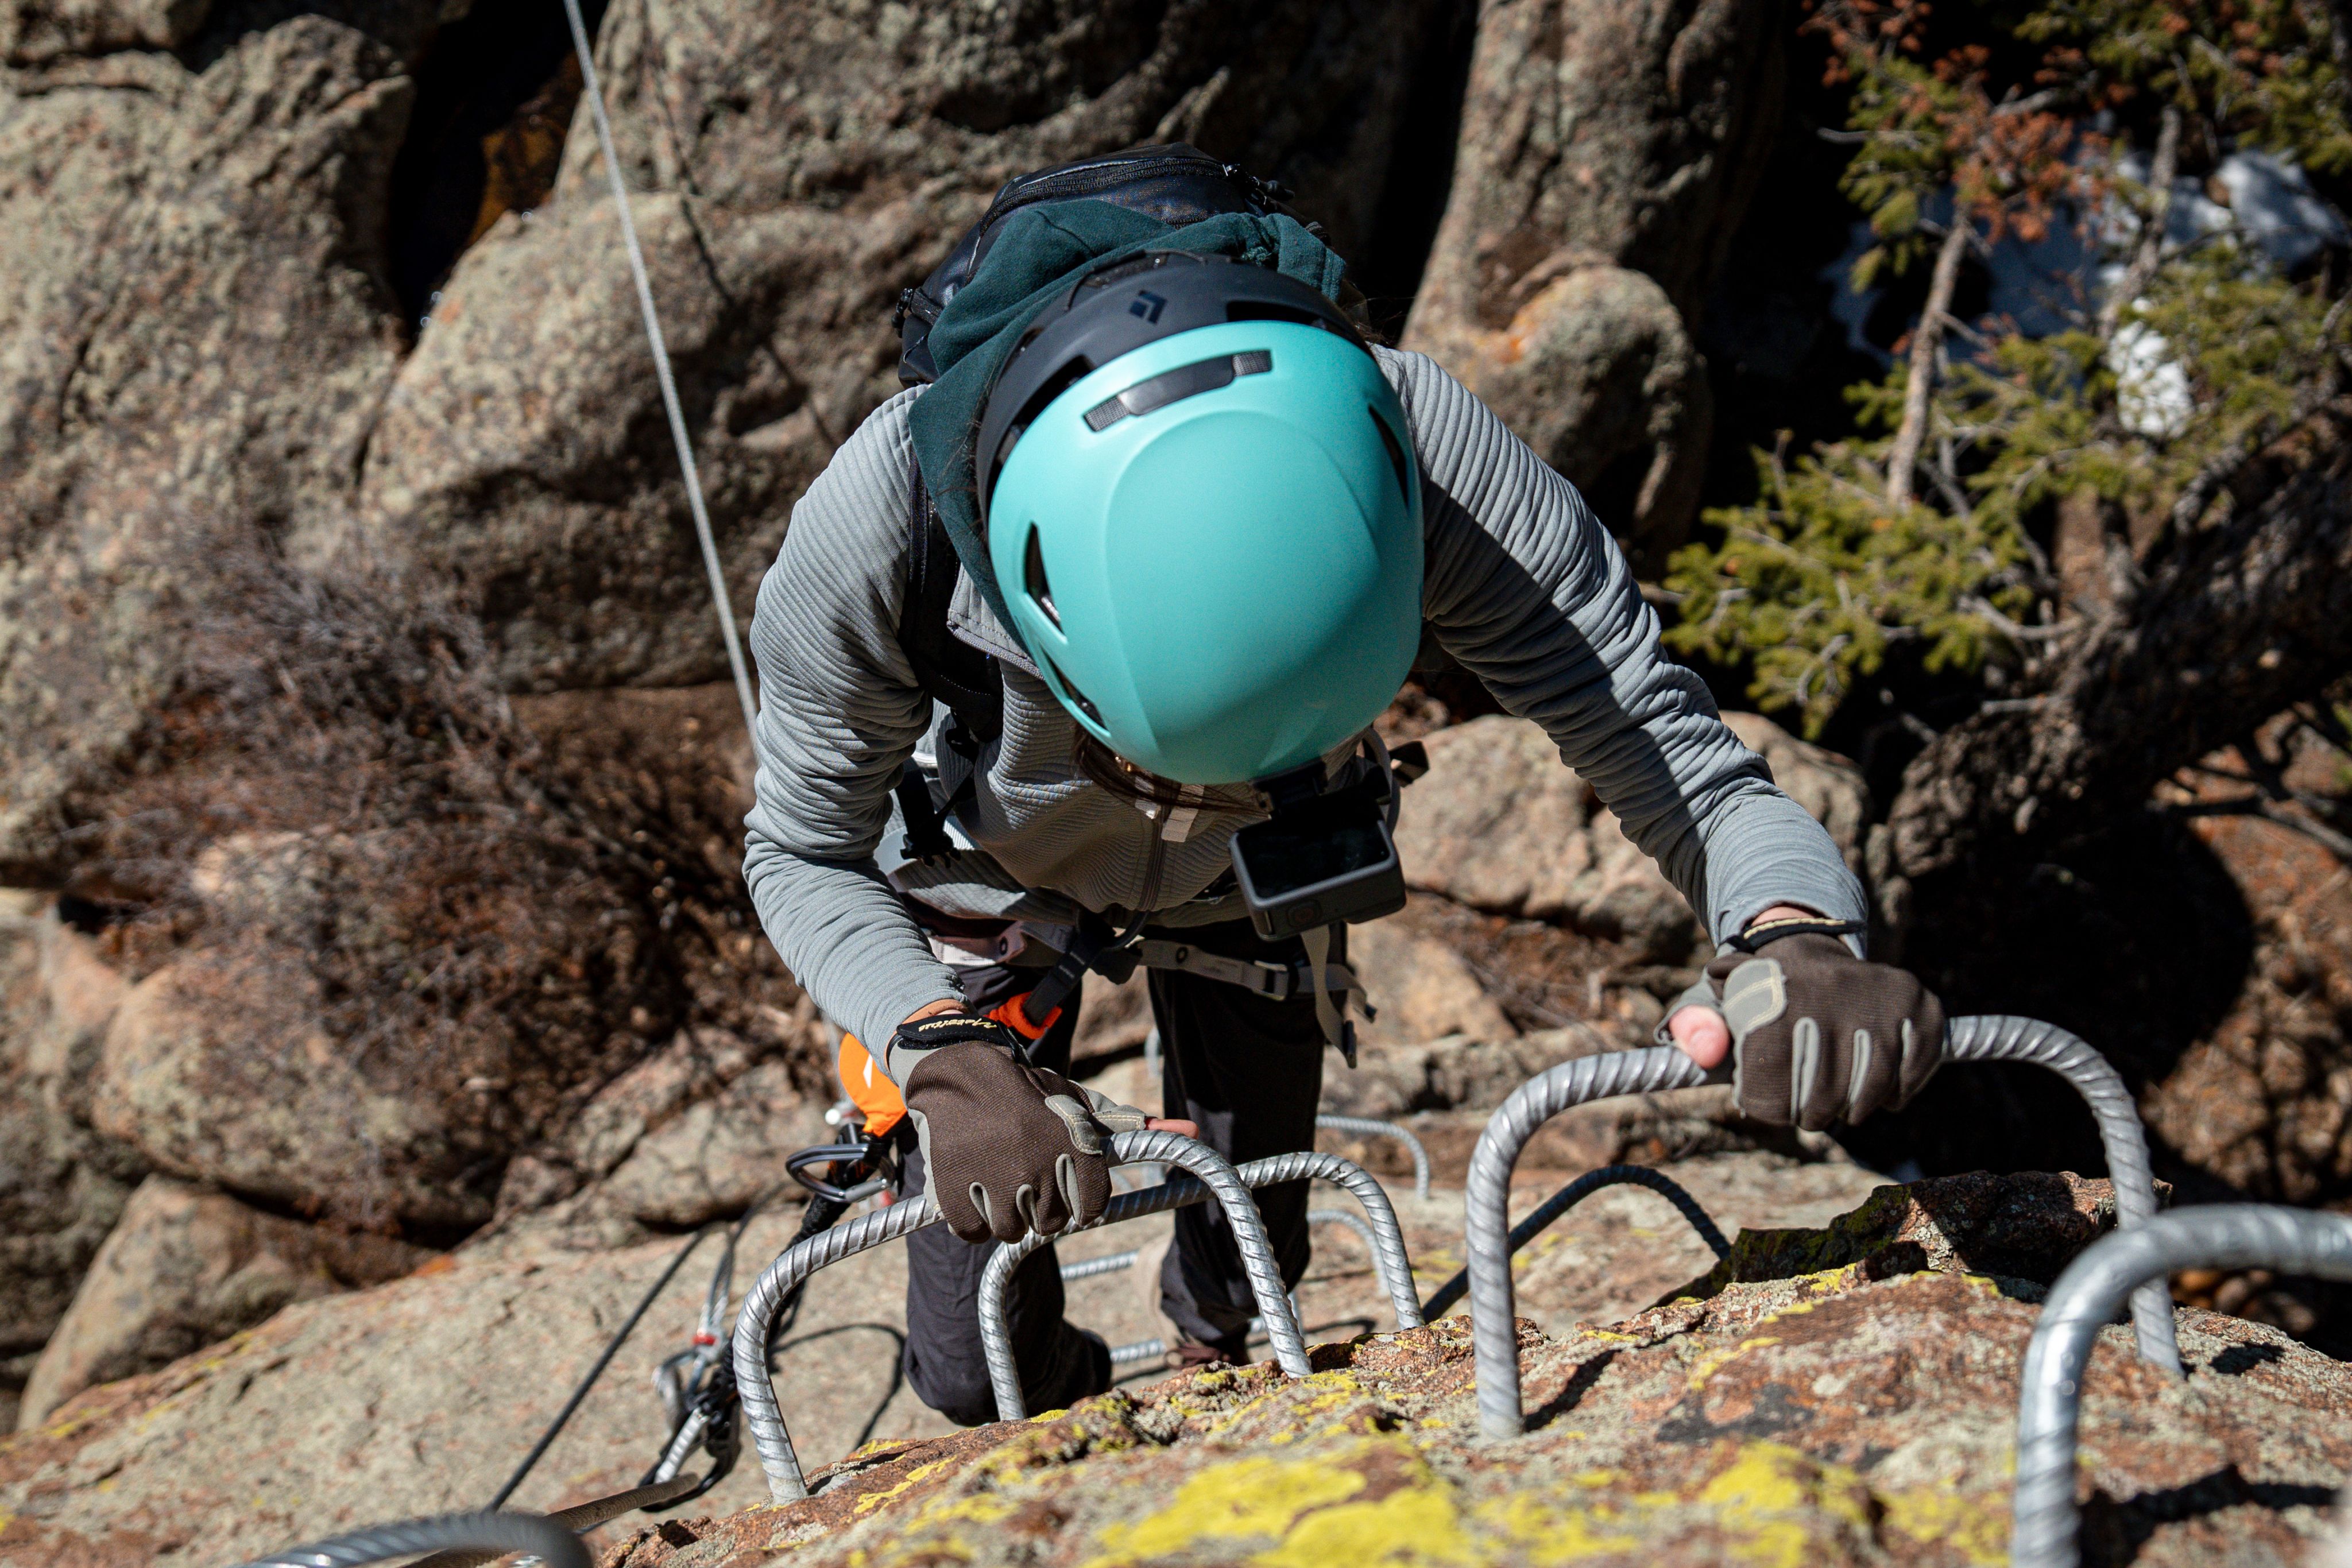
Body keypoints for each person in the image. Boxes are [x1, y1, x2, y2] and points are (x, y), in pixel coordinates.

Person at [742, 149, 1943, 1426]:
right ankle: (1047, 1386)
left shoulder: (1414, 445)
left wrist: (1788, 928)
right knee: (965, 1366)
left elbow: (1658, 736)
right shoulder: (882, 527)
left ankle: (1217, 1377)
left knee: (1255, 1257)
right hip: (987, 876)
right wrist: (936, 1048)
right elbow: (802, 853)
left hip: (1256, 860)